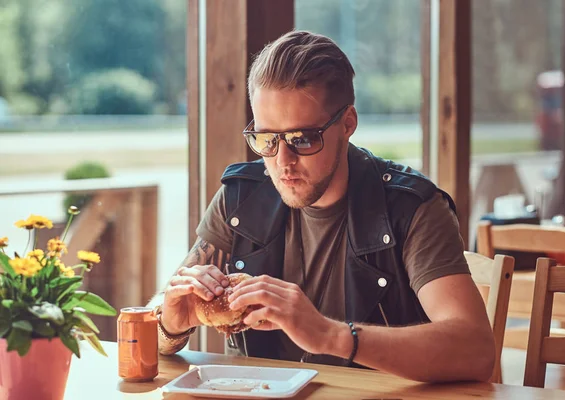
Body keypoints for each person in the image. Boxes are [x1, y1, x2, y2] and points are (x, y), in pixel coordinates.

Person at [149, 30, 495, 383]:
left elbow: (476, 349)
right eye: (267, 139)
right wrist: (169, 324)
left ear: (347, 124)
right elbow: (151, 324)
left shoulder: (411, 208)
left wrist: (330, 335)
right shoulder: (240, 198)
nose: (283, 161)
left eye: (302, 139)